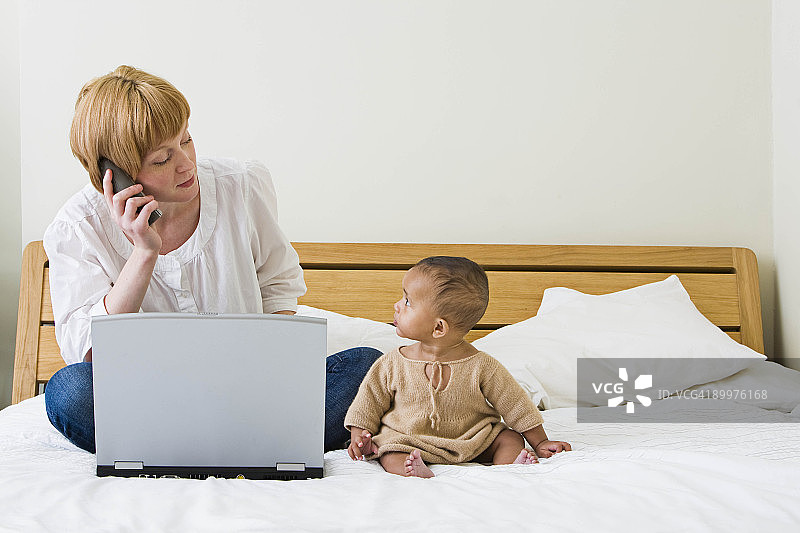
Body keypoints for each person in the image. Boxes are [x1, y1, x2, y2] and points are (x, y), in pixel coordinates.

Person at [43, 65, 380, 454]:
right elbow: (89, 352)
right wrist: (143, 252)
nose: (186, 164)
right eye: (161, 159)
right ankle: (254, 448)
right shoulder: (78, 227)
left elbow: (278, 289)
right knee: (69, 391)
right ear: (114, 173)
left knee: (366, 366)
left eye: (186, 140)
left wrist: (277, 372)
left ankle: (184, 453)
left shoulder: (242, 184)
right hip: (151, 401)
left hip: (254, 392)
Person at [345, 256, 571, 477]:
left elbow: (516, 405)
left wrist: (540, 441)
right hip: (409, 439)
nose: (397, 305)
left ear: (438, 328)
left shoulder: (482, 365)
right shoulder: (392, 362)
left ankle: (507, 468)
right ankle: (414, 470)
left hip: (473, 439)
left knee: (509, 438)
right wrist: (359, 436)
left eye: (407, 302)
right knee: (388, 451)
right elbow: (367, 403)